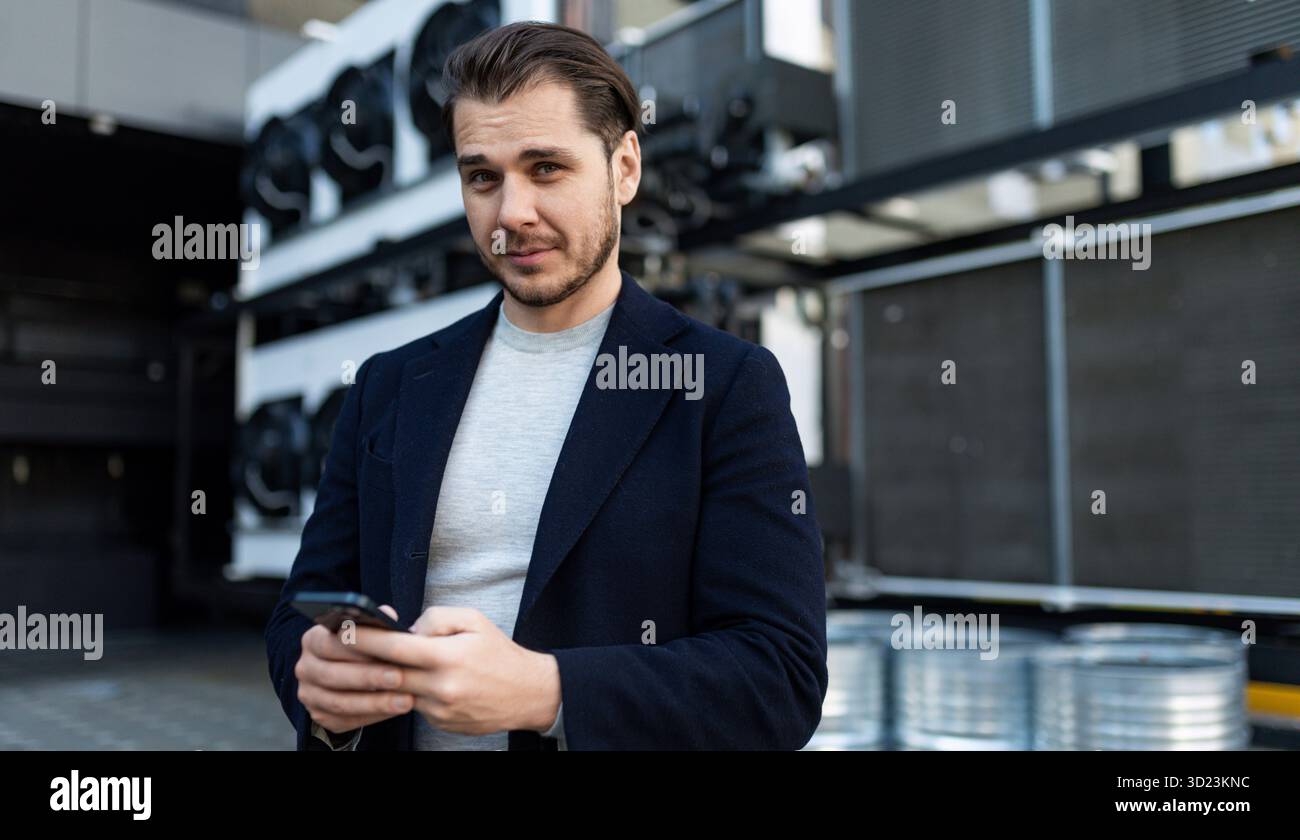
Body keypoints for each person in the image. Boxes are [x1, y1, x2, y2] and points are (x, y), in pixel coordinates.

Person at [264, 21, 827, 751]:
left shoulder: (724, 387)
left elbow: (778, 676)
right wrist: (321, 689)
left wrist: (548, 692)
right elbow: (297, 617)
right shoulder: (391, 385)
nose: (511, 216)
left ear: (625, 168)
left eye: (547, 168)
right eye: (482, 177)